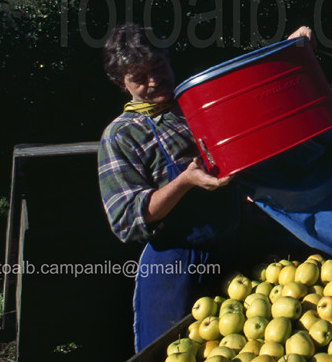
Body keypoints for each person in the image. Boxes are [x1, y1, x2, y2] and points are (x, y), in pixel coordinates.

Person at [97, 22, 312, 352]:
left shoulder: (194, 106)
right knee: (174, 352)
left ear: (168, 57)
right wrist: (184, 181)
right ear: (119, 83)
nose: (155, 81)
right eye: (140, 78)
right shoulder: (122, 135)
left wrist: (287, 52)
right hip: (175, 264)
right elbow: (126, 219)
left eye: (158, 67)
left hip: (234, 250)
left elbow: (252, 102)